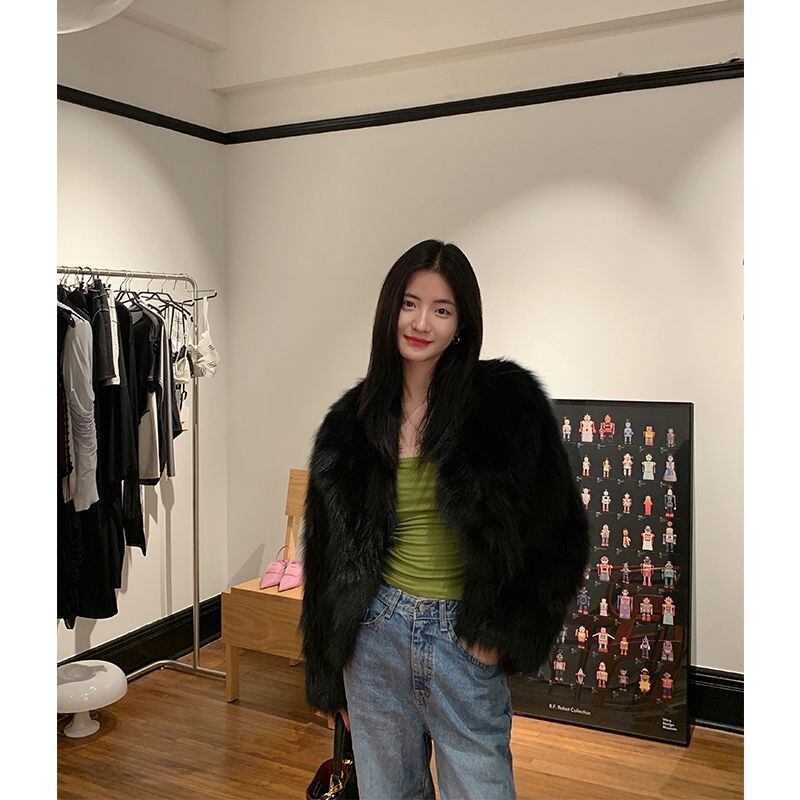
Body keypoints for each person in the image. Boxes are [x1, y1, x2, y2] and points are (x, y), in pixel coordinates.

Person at [299, 239, 590, 799]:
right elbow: (328, 556)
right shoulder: (350, 422)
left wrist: (503, 632)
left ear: (461, 324)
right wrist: (329, 672)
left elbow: (562, 536)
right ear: (389, 309)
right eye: (409, 303)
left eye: (441, 309)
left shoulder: (506, 405)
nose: (421, 323)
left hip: (464, 637)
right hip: (374, 638)